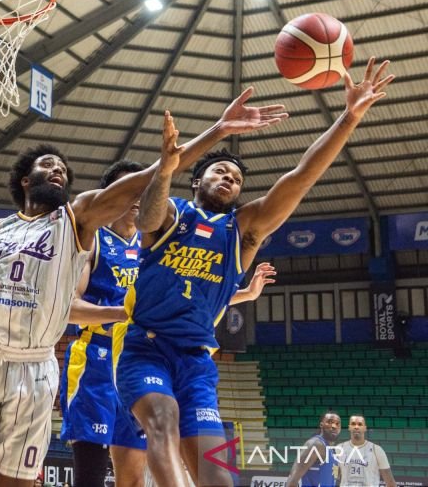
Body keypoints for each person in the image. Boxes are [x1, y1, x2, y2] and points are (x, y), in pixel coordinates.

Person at [0, 86, 286, 486]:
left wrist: (214, 133)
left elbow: (151, 177)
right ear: (25, 180)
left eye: (63, 168)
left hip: (40, 363)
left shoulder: (76, 219)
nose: (58, 170)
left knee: (46, 477)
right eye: (48, 165)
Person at [116, 57, 393, 487]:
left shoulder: (243, 230)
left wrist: (348, 118)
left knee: (219, 479)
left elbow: (301, 178)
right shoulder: (174, 212)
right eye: (219, 171)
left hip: (197, 362)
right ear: (197, 181)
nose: (229, 178)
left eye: (236, 178)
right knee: (162, 420)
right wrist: (166, 169)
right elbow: (147, 220)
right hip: (145, 347)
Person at [60, 161, 276, 487]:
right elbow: (69, 309)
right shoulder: (94, 240)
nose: (136, 196)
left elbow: (193, 293)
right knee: (90, 475)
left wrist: (245, 294)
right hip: (98, 359)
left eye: (141, 190)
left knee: (132, 479)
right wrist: (126, 312)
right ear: (112, 195)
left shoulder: (162, 236)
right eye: (129, 189)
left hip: (145, 351)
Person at [285, 412, 342, 487]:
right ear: (321, 425)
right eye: (330, 422)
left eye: (337, 423)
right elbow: (292, 480)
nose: (334, 426)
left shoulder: (331, 450)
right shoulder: (315, 444)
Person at [337, 415, 396, 487]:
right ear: (349, 427)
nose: (356, 427)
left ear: (365, 428)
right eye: (353, 424)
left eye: (360, 424)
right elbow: (333, 476)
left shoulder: (377, 450)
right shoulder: (339, 449)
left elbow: (391, 483)